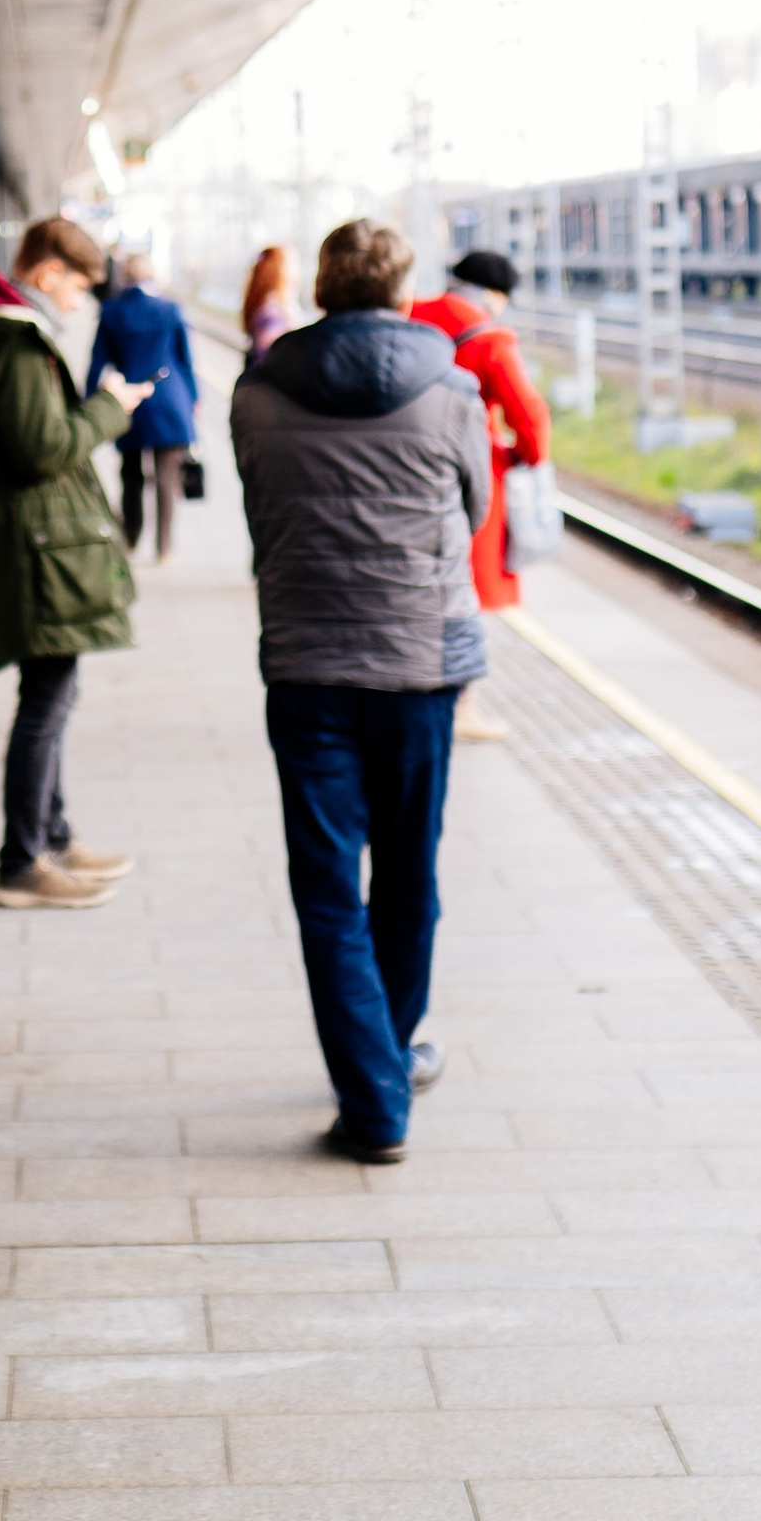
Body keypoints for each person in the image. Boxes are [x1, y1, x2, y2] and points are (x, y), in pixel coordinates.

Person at [230, 214, 491, 1165]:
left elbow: (261, 510)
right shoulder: (451, 387)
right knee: (409, 871)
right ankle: (392, 1055)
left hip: (306, 663)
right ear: (399, 290)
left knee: (328, 886)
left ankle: (375, 1089)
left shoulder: (257, 392)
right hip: (419, 664)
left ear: (325, 289)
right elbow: (476, 508)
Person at [0, 214, 151, 910]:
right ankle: (22, 859)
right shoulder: (16, 345)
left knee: (53, 694)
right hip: (35, 548)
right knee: (46, 703)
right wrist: (110, 409)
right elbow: (46, 448)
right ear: (49, 270)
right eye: (78, 286)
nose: (79, 301)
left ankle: (52, 836)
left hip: (24, 542)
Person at [411, 246, 553, 745]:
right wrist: (522, 456)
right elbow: (530, 414)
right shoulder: (488, 335)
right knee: (464, 590)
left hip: (399, 464)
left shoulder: (409, 312)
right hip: (468, 474)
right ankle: (462, 705)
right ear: (496, 294)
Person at [92, 252, 199, 560]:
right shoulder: (170, 308)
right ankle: (164, 547)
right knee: (168, 478)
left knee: (131, 475)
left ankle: (131, 538)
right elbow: (186, 360)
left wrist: (87, 398)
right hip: (170, 400)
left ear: (125, 276)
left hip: (129, 399)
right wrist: (194, 398)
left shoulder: (112, 311)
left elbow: (98, 359)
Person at [241, 244, 295, 363]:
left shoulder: (263, 303)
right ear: (280, 270)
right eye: (292, 264)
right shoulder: (272, 312)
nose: (297, 270)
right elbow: (272, 359)